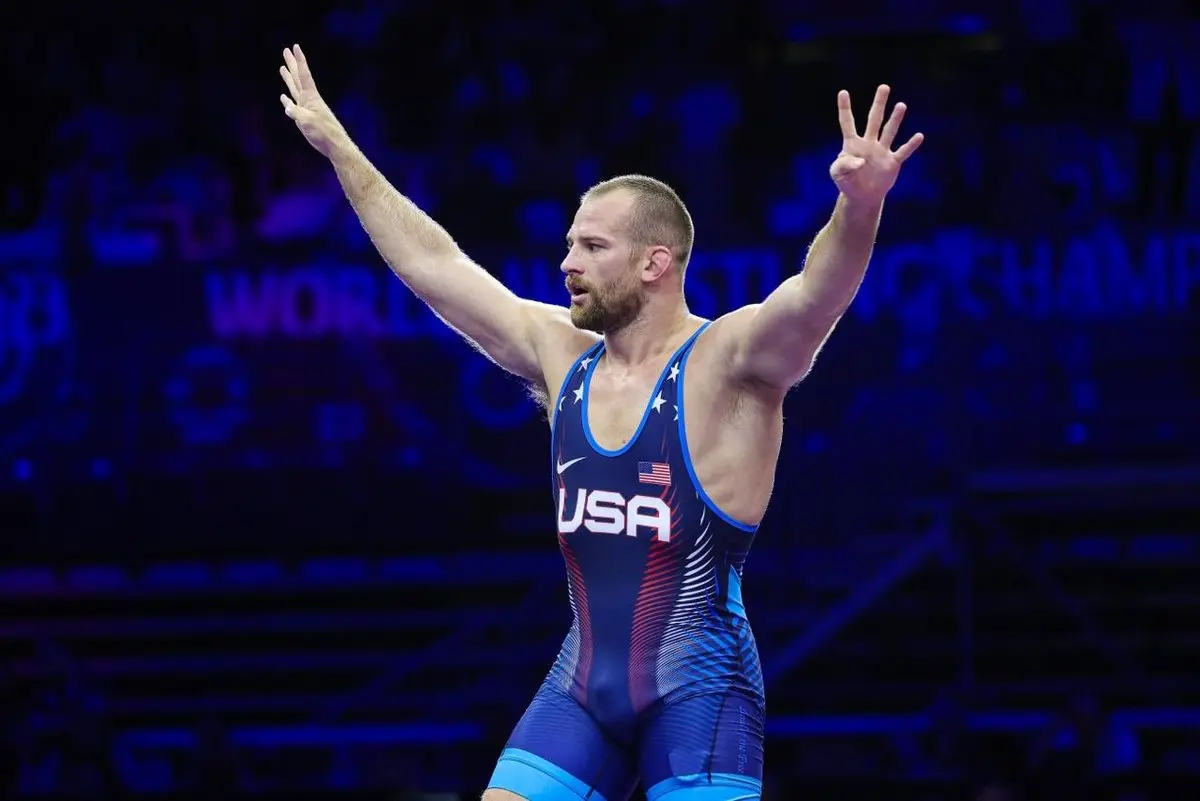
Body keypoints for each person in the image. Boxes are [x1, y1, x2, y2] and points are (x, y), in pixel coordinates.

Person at [278, 43, 922, 801]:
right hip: (580, 691)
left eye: (591, 246)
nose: (567, 264)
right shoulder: (561, 354)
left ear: (655, 263)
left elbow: (816, 295)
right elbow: (434, 266)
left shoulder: (729, 360)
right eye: (568, 245)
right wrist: (341, 150)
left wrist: (860, 205)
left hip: (702, 694)